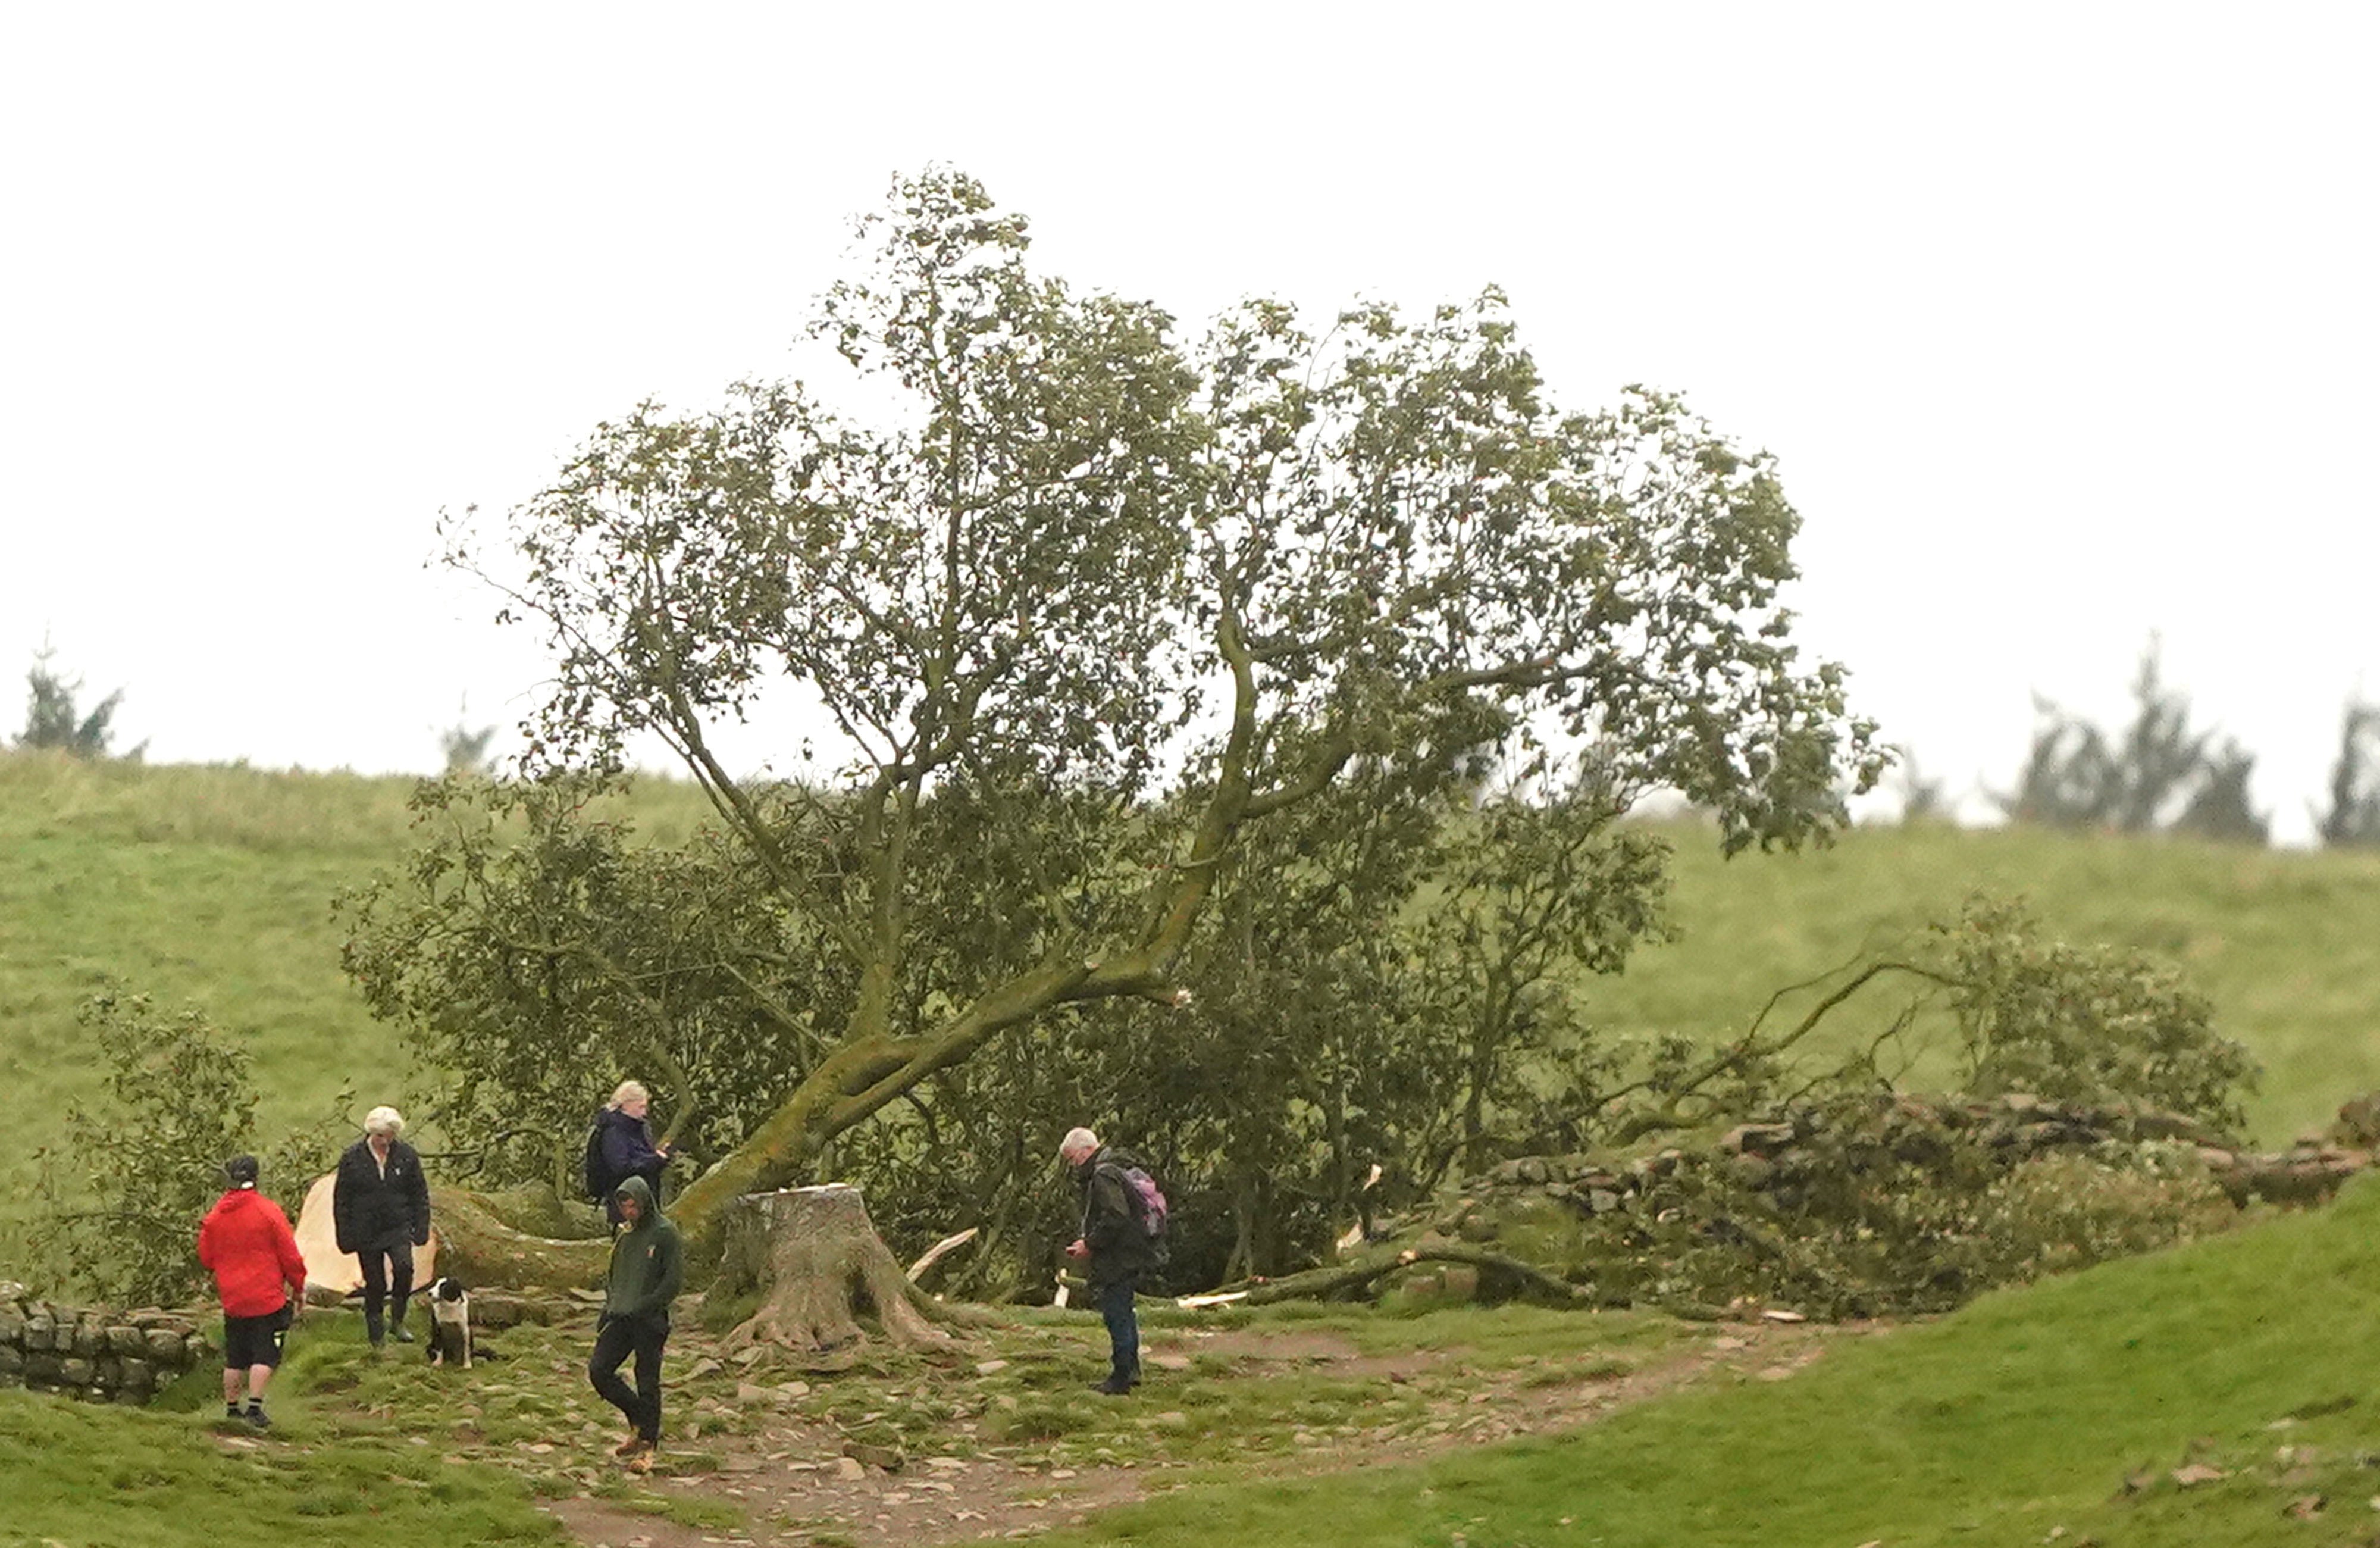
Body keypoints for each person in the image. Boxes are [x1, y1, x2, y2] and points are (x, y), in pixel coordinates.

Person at [196, 1154, 306, 1430]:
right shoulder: (268, 1211)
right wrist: (298, 1286)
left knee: (235, 1356)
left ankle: (232, 1409)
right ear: (256, 1178)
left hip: (233, 1297)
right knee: (265, 1354)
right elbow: (289, 1255)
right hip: (266, 1296)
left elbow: (206, 1257)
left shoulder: (215, 1216)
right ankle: (255, 1408)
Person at [1060, 1125, 1164, 1396]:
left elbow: (1116, 1215)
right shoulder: (1117, 1165)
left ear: (1087, 1150)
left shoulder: (1103, 1174)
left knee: (1116, 1314)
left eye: (1074, 1158)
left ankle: (1121, 1378)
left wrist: (1090, 1244)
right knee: (1125, 1312)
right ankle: (1131, 1370)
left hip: (1120, 1257)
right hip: (1133, 1252)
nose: (1074, 1165)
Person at [588, 1174, 682, 1470]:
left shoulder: (666, 1233)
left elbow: (672, 1282)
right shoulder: (625, 1237)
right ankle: (639, 1422)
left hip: (649, 1320)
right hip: (620, 1317)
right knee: (600, 1370)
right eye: (624, 1206)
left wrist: (646, 1306)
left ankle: (647, 1447)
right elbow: (614, 1276)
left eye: (633, 1206)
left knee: (647, 1381)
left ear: (644, 1202)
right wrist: (610, 1307)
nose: (629, 1212)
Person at [332, 1105, 431, 1348]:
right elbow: (342, 1200)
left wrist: (421, 1227)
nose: (385, 1142)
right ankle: (375, 1332)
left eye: (390, 1136)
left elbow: (419, 1193)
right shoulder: (352, 1159)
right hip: (366, 1230)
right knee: (375, 1283)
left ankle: (398, 1321)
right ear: (370, 1133)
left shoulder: (407, 1156)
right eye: (380, 1136)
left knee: (405, 1268)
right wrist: (345, 1235)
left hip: (398, 1226)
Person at [591, 1080, 674, 1229]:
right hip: (625, 1206)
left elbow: (640, 1158)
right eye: (641, 1106)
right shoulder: (613, 1132)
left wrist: (660, 1158)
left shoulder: (639, 1128)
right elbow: (621, 1167)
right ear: (626, 1104)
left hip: (645, 1204)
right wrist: (655, 1161)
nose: (644, 1112)